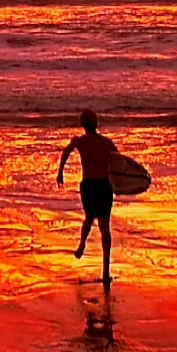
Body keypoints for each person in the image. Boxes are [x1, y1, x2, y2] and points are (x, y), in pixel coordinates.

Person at [57, 109, 118, 283]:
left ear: (82, 125)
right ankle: (106, 270)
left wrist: (60, 172)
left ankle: (82, 243)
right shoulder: (106, 143)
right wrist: (123, 184)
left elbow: (66, 152)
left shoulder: (80, 142)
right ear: (97, 123)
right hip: (104, 186)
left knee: (89, 218)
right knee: (104, 227)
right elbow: (120, 162)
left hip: (89, 185)